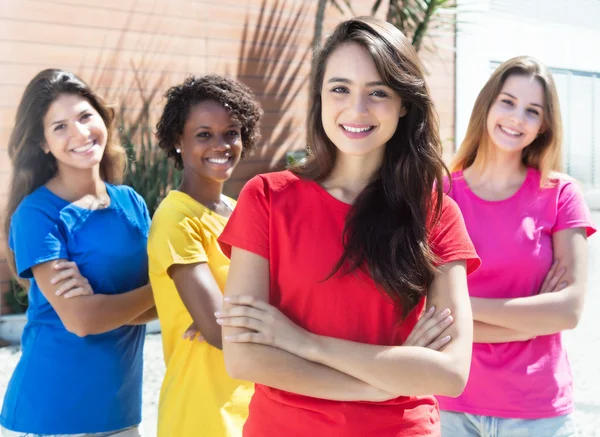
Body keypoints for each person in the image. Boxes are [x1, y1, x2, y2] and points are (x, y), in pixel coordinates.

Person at [215, 17, 481, 437]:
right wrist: (380, 383)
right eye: (340, 88)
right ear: (320, 96)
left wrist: (302, 342)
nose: (357, 109)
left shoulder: (435, 215)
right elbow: (245, 357)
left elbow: (449, 372)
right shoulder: (266, 198)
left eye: (378, 93)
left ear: (404, 104)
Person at [437, 56, 596, 437]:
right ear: (488, 105)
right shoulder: (442, 193)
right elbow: (425, 311)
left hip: (538, 411)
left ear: (544, 126)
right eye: (507, 102)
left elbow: (568, 311)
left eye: (532, 111)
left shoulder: (560, 194)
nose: (516, 118)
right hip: (450, 405)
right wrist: (525, 326)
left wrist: (462, 308)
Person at [0, 69, 155, 437]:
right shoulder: (38, 215)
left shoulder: (131, 203)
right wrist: (161, 288)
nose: (80, 134)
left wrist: (106, 305)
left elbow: (151, 309)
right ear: (42, 144)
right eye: (60, 127)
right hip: (55, 412)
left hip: (119, 408)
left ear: (102, 117)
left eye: (85, 116)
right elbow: (82, 321)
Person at [147, 74, 262, 437]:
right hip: (202, 414)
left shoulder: (239, 209)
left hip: (254, 406)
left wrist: (240, 314)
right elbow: (218, 331)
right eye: (203, 134)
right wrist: (234, 317)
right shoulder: (175, 218)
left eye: (231, 132)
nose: (221, 144)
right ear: (177, 141)